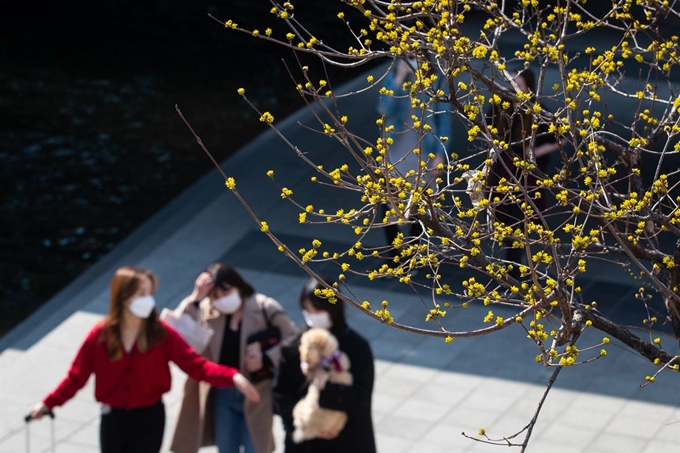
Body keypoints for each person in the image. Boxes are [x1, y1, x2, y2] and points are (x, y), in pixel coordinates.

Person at [27, 266, 260, 453]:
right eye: (141, 294)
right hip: (113, 419)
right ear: (123, 297)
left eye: (149, 293)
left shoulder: (160, 334)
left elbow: (195, 366)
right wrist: (48, 403)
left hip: (149, 417)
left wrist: (233, 376)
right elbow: (76, 377)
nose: (148, 300)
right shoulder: (100, 336)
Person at [170, 263, 296, 453]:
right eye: (215, 296)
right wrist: (195, 297)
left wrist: (267, 358)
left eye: (225, 292)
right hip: (223, 392)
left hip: (257, 392)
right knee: (226, 448)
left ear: (238, 285)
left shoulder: (264, 307)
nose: (221, 300)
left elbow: (293, 340)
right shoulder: (206, 310)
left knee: (257, 447)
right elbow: (177, 335)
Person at [273, 277, 377, 453]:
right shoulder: (294, 346)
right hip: (305, 442)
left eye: (316, 311)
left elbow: (361, 394)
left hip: (347, 441)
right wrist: (305, 424)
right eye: (307, 310)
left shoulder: (356, 347)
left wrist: (327, 390)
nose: (311, 316)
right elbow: (281, 393)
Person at [376, 54, 453, 261]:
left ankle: (412, 255)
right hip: (395, 153)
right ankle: (393, 256)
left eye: (416, 57)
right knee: (390, 202)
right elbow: (383, 109)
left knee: (418, 206)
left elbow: (443, 122)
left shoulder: (435, 83)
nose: (412, 62)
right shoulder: (394, 80)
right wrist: (399, 77)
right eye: (408, 57)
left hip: (422, 154)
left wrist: (440, 154)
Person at [485, 68, 562, 272]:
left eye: (519, 86)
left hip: (525, 172)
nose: (516, 90)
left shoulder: (537, 111)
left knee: (521, 216)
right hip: (505, 166)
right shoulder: (500, 106)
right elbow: (487, 129)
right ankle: (511, 261)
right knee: (501, 212)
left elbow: (560, 136)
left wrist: (536, 151)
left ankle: (515, 265)